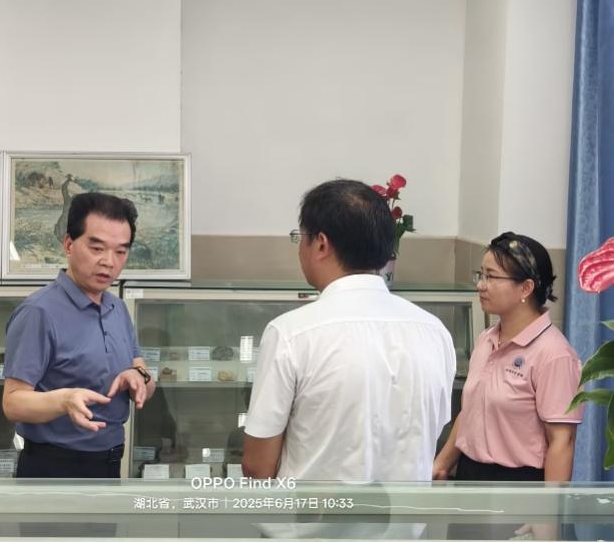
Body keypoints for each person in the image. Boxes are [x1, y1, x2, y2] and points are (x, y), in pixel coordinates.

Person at [242, 179, 456, 481]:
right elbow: (430, 430)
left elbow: (258, 466)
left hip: (312, 512)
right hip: (405, 512)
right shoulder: (434, 332)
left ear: (321, 244)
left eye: (300, 237)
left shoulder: (291, 333)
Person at [432, 232, 582, 539]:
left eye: (491, 277)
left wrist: (546, 513)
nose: (480, 285)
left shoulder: (554, 354)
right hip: (471, 478)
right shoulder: (486, 339)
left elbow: (562, 442)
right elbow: (472, 410)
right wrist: (443, 462)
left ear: (525, 288)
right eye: (480, 275)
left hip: (520, 488)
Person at [3, 192, 155, 478]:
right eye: (97, 248)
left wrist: (139, 377)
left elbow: (143, 373)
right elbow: (12, 402)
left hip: (110, 460)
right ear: (69, 244)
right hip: (54, 465)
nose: (109, 262)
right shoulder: (39, 312)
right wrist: (65, 400)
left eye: (120, 251)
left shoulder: (117, 308)